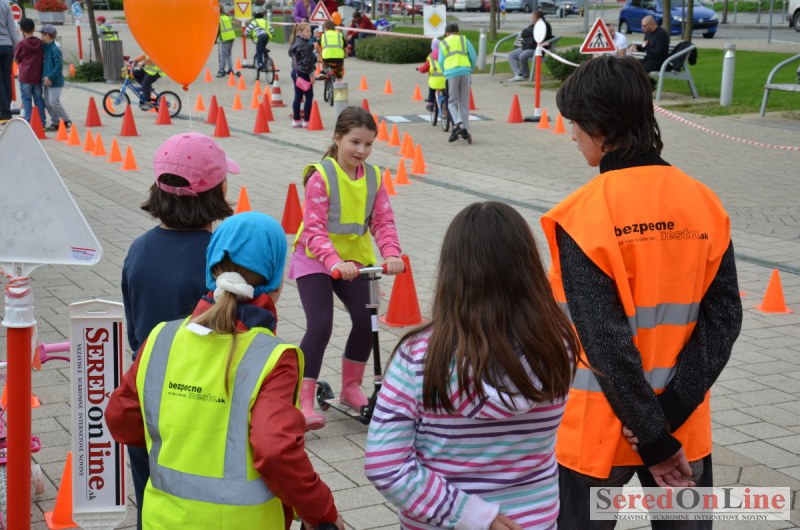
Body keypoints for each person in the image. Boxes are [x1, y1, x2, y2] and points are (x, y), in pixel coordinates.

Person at [541, 56, 742, 527]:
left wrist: (651, 436)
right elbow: (724, 319)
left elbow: (604, 341)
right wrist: (668, 416)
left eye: (574, 123)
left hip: (601, 430)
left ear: (598, 127)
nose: (571, 135)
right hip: (681, 424)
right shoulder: (704, 203)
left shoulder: (582, 215)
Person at [107, 211, 344, 530]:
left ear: (210, 270)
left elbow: (121, 421)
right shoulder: (273, 357)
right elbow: (275, 451)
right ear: (275, 282)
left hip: (162, 520)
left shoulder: (161, 338)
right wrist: (321, 511)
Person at [365, 201, 578, 529]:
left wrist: (472, 516)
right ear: (529, 267)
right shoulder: (557, 346)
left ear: (452, 273)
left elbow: (385, 466)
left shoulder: (419, 357)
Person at [119, 132, 236, 530]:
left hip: (146, 393)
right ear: (218, 190)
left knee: (150, 499)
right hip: (202, 402)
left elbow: (136, 329)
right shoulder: (219, 258)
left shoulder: (139, 248)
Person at [289, 106, 404, 430]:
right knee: (320, 325)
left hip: (354, 260)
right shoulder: (321, 176)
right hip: (315, 257)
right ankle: (303, 399)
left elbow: (383, 221)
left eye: (368, 144)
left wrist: (391, 253)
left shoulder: (374, 177)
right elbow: (314, 229)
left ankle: (351, 387)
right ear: (337, 138)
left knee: (367, 320)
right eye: (355, 142)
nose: (361, 151)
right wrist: (334, 262)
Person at [438, 22, 476, 144]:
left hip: (451, 74)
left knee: (452, 102)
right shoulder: (464, 40)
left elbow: (440, 61)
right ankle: (464, 128)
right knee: (464, 103)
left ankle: (457, 124)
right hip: (465, 72)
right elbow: (473, 56)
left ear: (446, 33)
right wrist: (470, 69)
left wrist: (445, 73)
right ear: (458, 32)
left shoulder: (443, 43)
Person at [14, 18, 46, 129]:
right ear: (34, 28)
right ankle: (41, 122)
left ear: (21, 29)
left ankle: (28, 122)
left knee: (26, 99)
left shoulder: (21, 44)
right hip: (37, 76)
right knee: (38, 99)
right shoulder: (40, 43)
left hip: (25, 76)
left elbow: (17, 58)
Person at [40, 25, 72, 131]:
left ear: (48, 35)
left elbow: (59, 65)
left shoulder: (55, 49)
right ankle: (56, 122)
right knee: (47, 103)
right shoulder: (45, 47)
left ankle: (66, 120)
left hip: (55, 81)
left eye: (43, 34)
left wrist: (50, 77)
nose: (41, 37)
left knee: (54, 102)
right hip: (46, 81)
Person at [508, 10, 551, 82]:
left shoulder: (544, 26)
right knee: (512, 55)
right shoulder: (532, 25)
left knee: (522, 56)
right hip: (526, 47)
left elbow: (537, 36)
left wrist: (530, 34)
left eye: (533, 16)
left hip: (536, 49)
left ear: (538, 17)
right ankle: (518, 74)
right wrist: (530, 34)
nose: (532, 18)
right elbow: (524, 33)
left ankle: (525, 74)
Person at [289, 22, 316, 128]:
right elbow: (308, 62)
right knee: (309, 96)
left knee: (298, 95)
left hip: (295, 72)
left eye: (310, 31)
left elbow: (290, 53)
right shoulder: (305, 45)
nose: (310, 33)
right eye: (307, 31)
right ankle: (307, 120)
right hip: (304, 73)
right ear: (300, 32)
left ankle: (296, 120)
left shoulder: (295, 41)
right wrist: (311, 75)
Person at [0, 0, 19, 123]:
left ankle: (4, 111)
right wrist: (17, 47)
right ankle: (7, 110)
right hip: (7, 46)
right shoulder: (4, 5)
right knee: (6, 79)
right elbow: (12, 28)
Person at [416, 38, 445, 113]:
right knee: (446, 91)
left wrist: (419, 68)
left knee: (432, 89)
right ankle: (446, 103)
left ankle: (430, 103)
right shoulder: (445, 55)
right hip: (445, 80)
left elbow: (424, 68)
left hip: (434, 82)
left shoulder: (430, 57)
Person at [217, 7, 236, 77]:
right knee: (229, 54)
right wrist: (224, 11)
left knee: (223, 55)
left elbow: (218, 30)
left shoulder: (219, 19)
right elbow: (229, 15)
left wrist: (215, 40)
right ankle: (230, 69)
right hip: (232, 37)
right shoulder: (227, 17)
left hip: (225, 38)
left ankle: (222, 70)